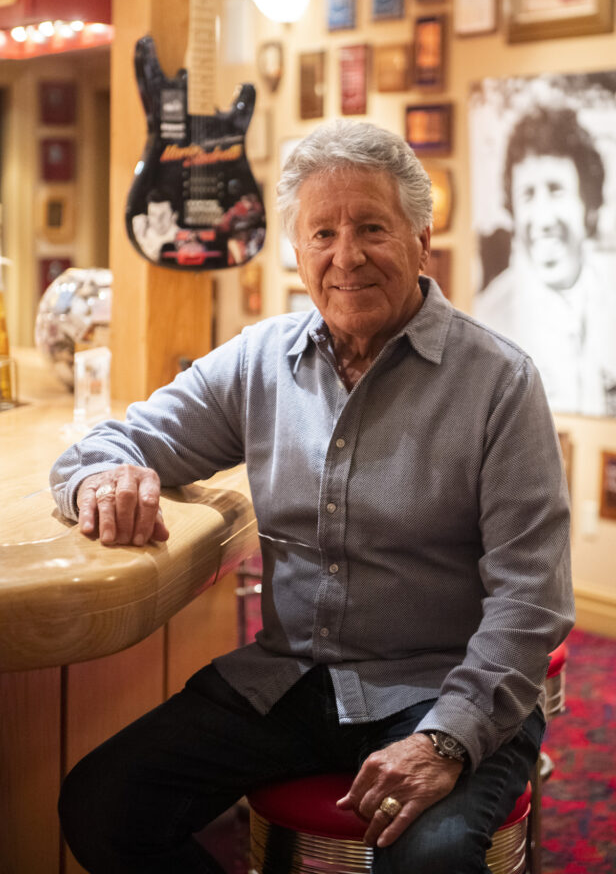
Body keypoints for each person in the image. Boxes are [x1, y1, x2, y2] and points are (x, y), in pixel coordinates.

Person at [52, 119, 574, 874]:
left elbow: (531, 600)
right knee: (102, 805)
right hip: (291, 679)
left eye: (372, 228)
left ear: (422, 240)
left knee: (428, 861)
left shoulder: (500, 382)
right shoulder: (259, 361)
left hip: (445, 687)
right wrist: (102, 478)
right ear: (298, 253)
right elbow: (110, 443)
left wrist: (446, 739)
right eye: (322, 233)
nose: (346, 256)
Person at [475, 105, 616, 418]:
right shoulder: (490, 318)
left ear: (587, 202)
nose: (543, 219)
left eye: (556, 190)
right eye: (528, 195)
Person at [131, 193, 180, 262]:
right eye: (153, 215)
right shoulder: (141, 233)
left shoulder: (183, 240)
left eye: (163, 215)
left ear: (174, 216)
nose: (158, 220)